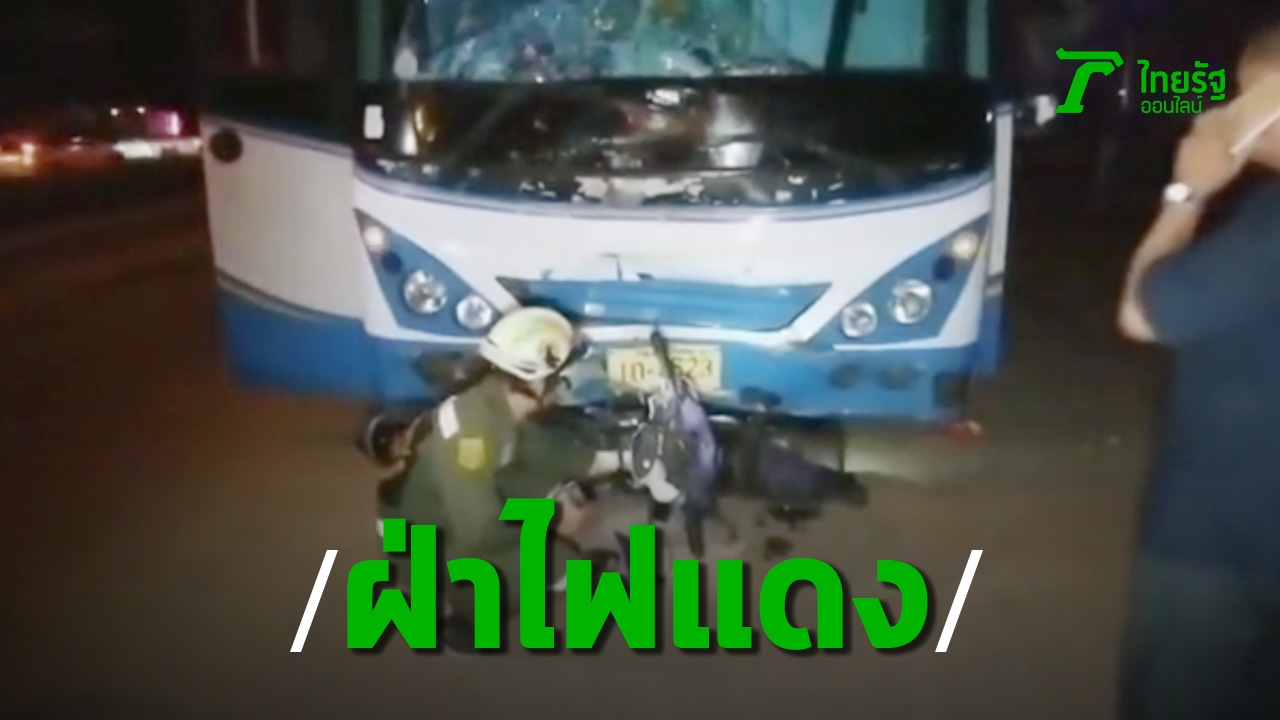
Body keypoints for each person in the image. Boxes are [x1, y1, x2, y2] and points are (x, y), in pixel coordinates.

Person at [1115, 22, 1280, 720]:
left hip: (1225, 540)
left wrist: (1186, 193)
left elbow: (1143, 314)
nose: (1228, 115)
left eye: (1250, 98)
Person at [374, 307, 629, 654]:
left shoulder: (494, 402)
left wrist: (624, 458)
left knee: (539, 475)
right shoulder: (471, 435)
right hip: (425, 538)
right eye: (560, 378)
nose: (564, 387)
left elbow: (549, 452)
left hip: (449, 508)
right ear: (533, 381)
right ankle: (468, 614)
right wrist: (554, 521)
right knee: (551, 562)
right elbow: (480, 532)